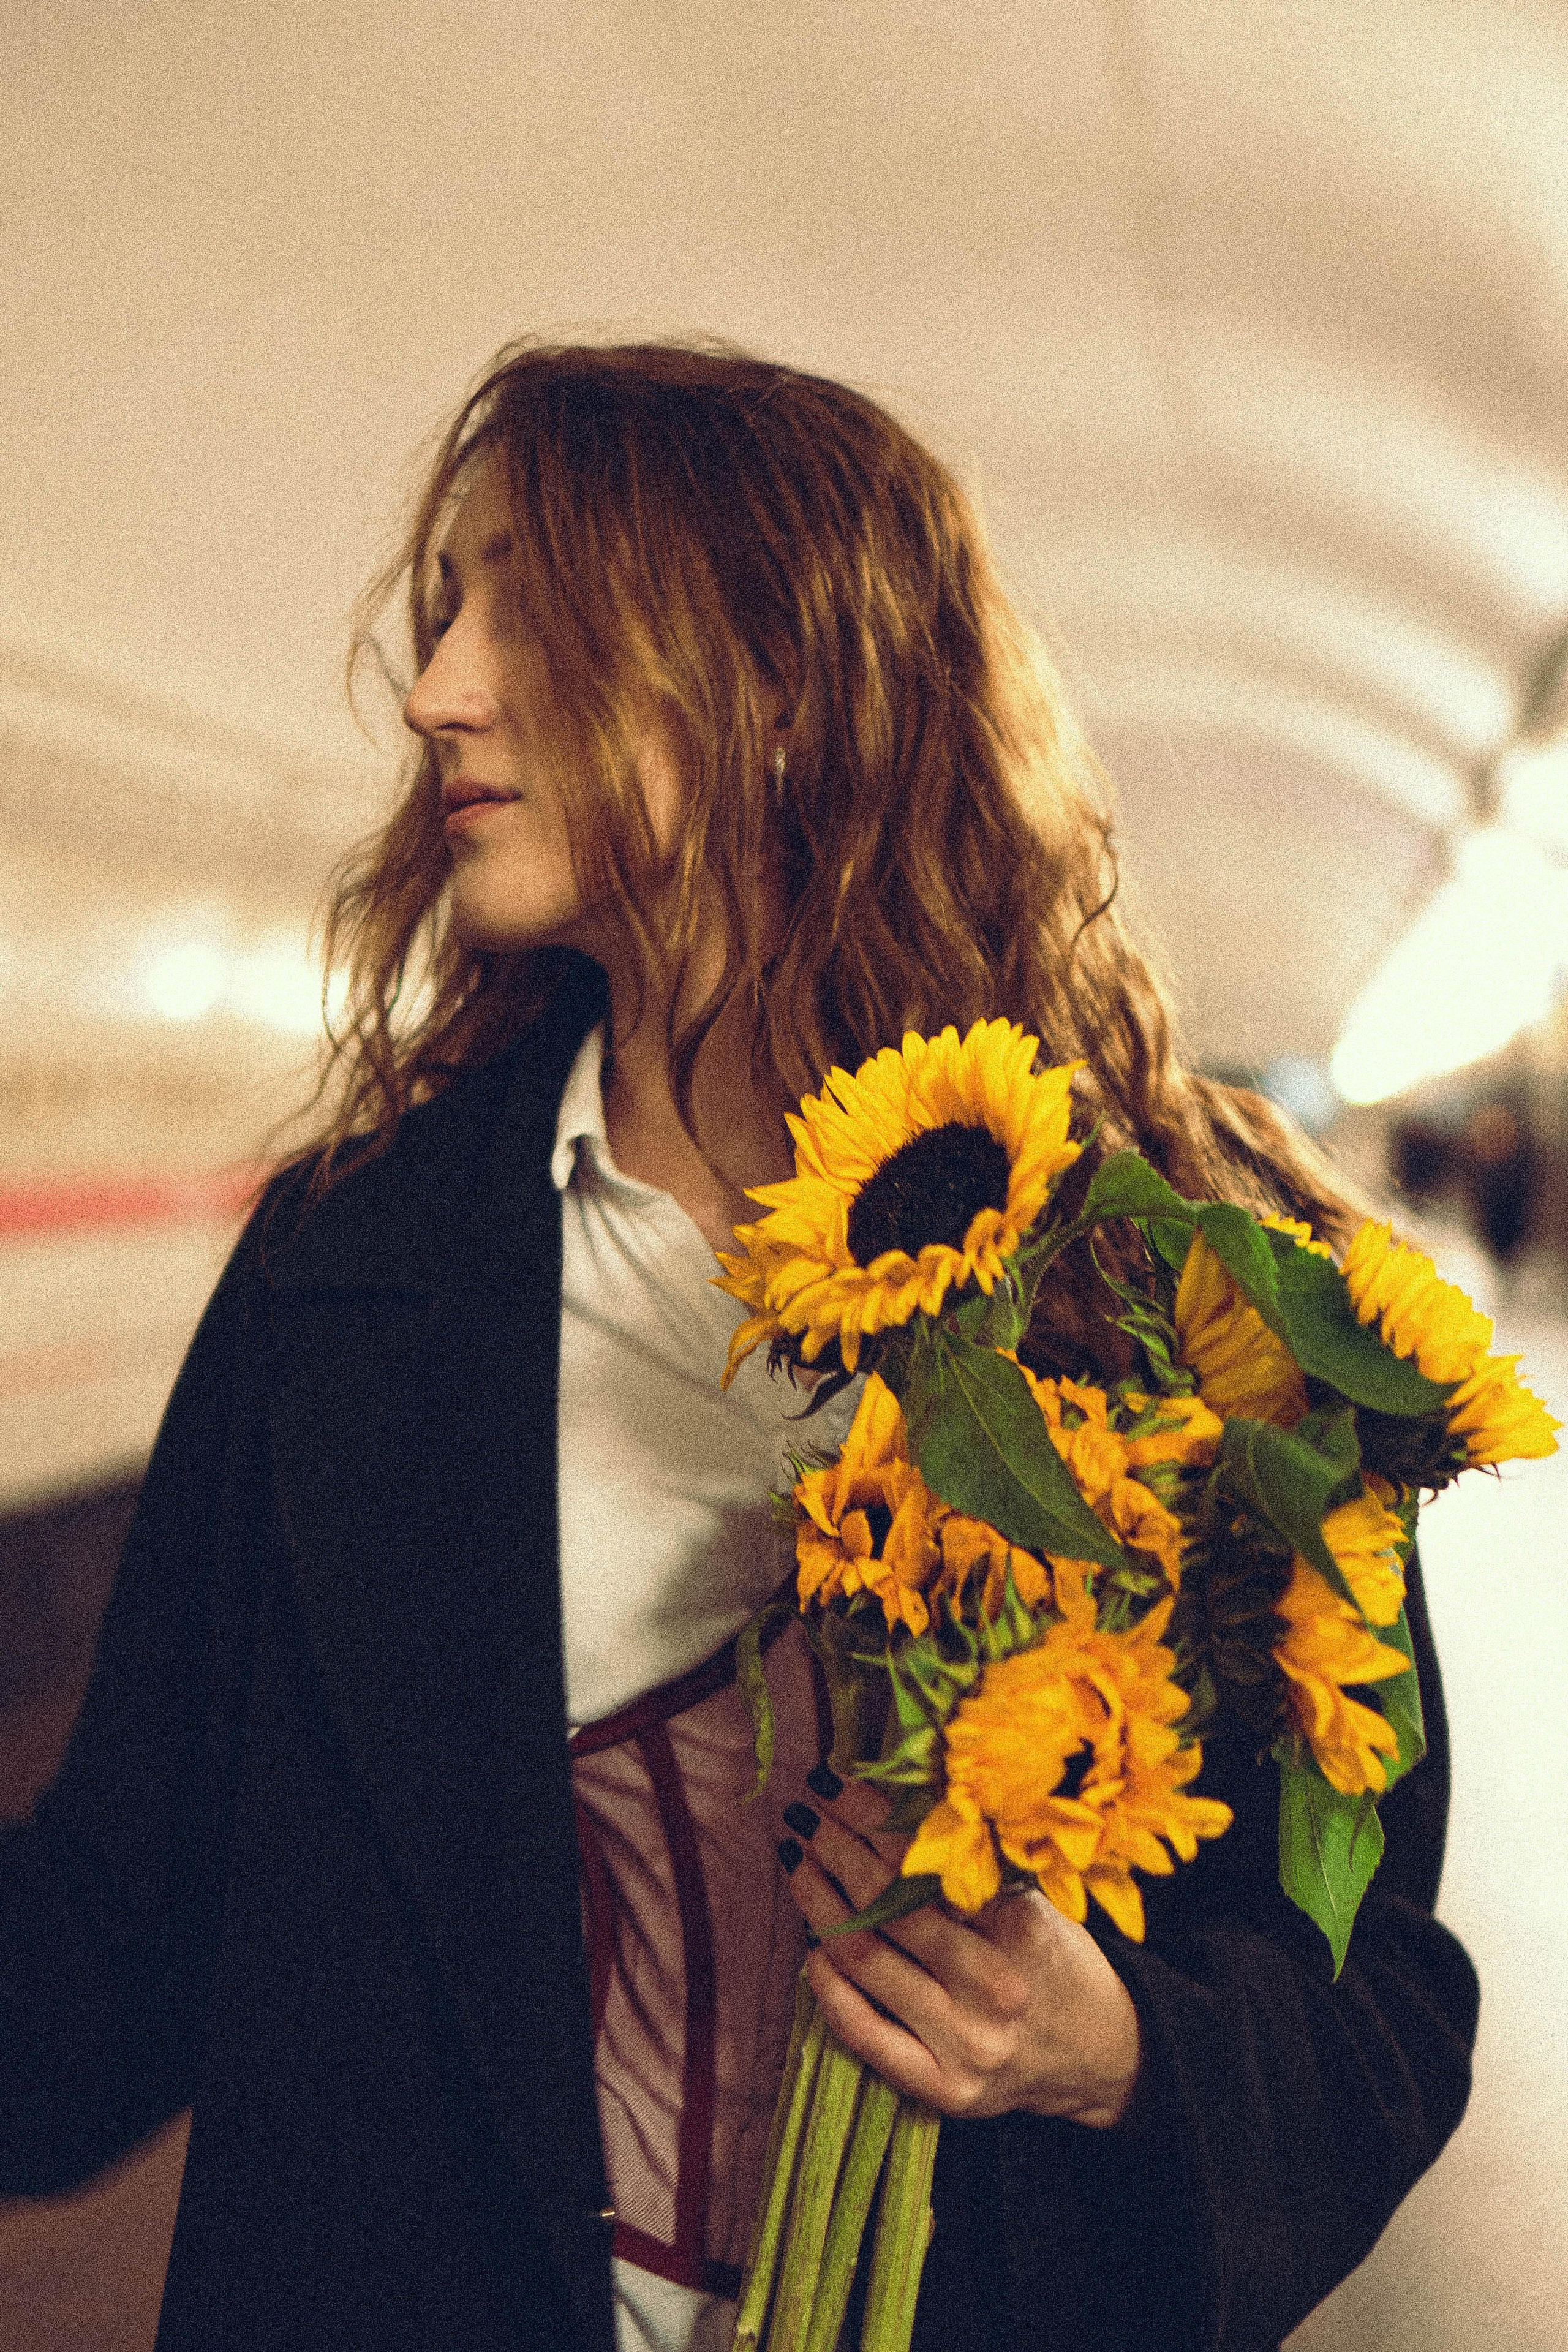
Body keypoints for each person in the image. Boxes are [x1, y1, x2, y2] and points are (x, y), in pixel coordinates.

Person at [0, 341, 1478, 2352]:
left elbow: (1375, 2000)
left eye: (529, 601)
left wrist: (1117, 2044)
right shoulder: (344, 1276)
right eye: (445, 608)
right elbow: (119, 1922)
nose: (441, 685)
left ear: (784, 685)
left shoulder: (1182, 1309)